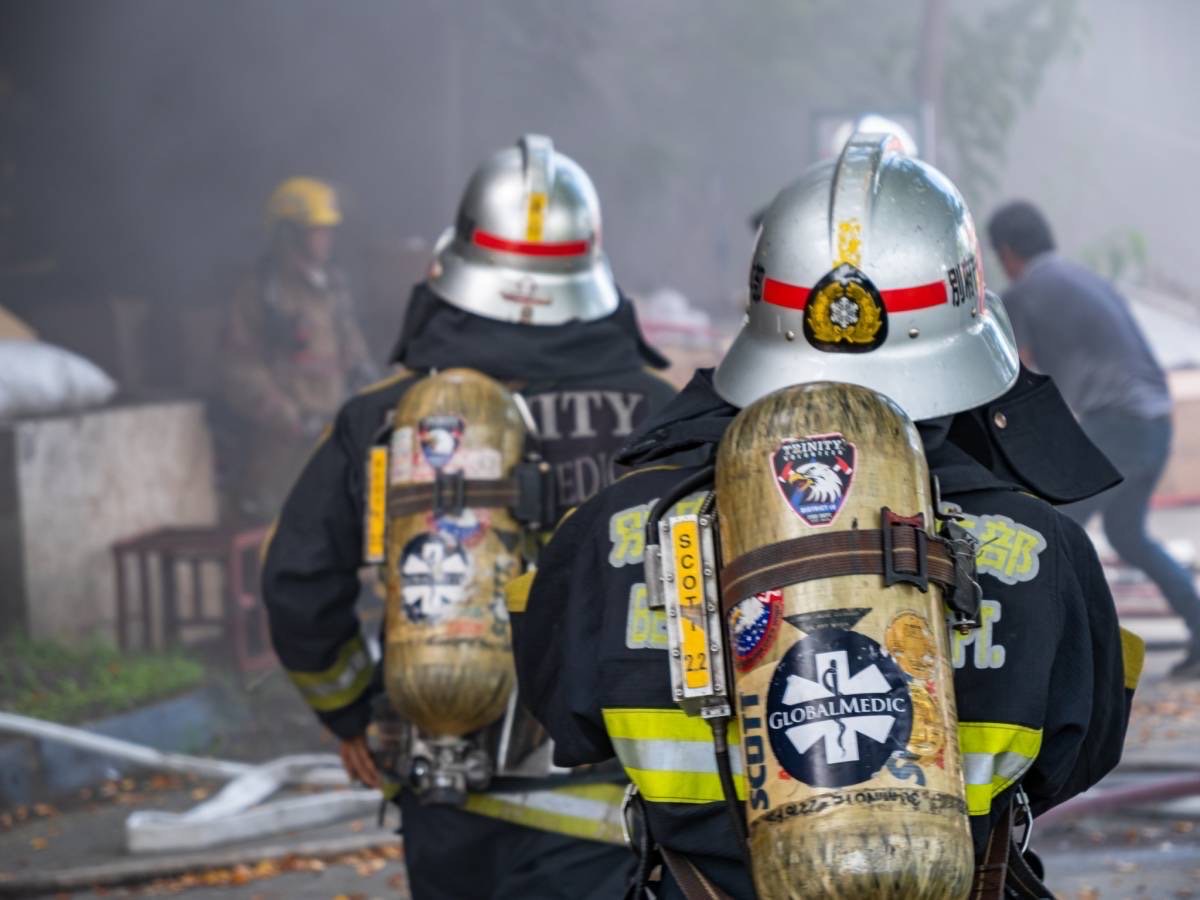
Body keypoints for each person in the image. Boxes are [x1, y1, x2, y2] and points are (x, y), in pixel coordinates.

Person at [514, 135, 1141, 898]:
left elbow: (568, 724)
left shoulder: (613, 534)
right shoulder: (1044, 548)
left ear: (764, 309)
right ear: (962, 315)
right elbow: (1079, 756)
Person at [261, 135, 676, 900]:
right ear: (592, 271)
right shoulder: (663, 417)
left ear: (453, 269)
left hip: (440, 787)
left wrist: (348, 710)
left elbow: (297, 582)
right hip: (602, 802)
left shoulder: (384, 418)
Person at [988, 200, 1200, 677]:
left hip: (1121, 423)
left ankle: (1053, 660)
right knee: (1126, 534)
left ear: (1005, 252)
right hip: (1155, 422)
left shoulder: (1025, 294)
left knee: (1048, 531)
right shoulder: (1082, 278)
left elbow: (1014, 375)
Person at [221, 176, 376, 521]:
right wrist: (285, 416)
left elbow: (353, 353)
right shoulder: (260, 292)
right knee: (281, 533)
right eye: (316, 230)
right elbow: (237, 369)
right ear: (288, 233)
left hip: (331, 439)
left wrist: (367, 394)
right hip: (281, 449)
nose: (327, 239)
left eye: (327, 230)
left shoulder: (332, 288)